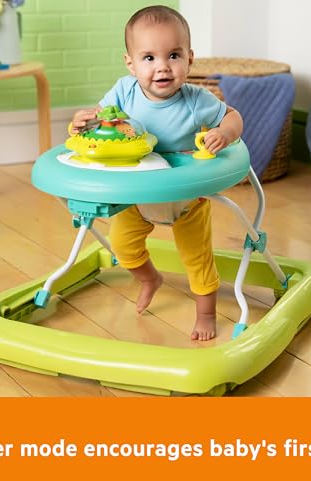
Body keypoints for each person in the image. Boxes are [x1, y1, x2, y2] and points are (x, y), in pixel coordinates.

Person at [70, 5, 243, 340]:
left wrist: (225, 132)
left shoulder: (197, 100)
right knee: (122, 246)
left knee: (197, 258)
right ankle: (150, 278)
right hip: (136, 194)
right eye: (149, 58)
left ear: (190, 58)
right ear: (130, 63)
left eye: (173, 55)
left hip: (186, 198)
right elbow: (100, 121)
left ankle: (206, 314)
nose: (162, 66)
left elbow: (233, 116)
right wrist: (83, 122)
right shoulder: (124, 92)